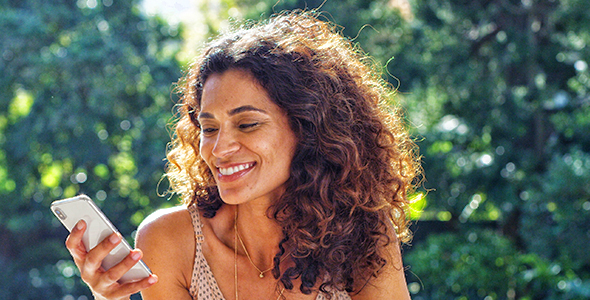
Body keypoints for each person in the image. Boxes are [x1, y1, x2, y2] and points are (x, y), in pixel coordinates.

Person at [65, 9, 420, 300]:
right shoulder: (171, 241)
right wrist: (111, 298)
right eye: (210, 128)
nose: (219, 149)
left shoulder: (361, 236)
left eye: (248, 124)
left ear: (307, 127)